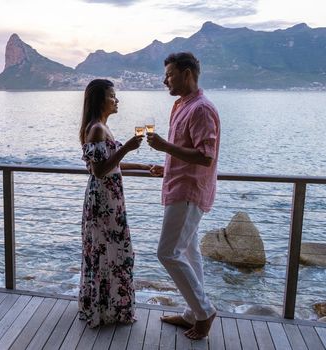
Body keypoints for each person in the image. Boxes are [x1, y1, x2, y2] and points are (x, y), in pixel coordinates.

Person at [146, 52, 221, 340]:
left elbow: (205, 156)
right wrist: (165, 166)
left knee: (167, 252)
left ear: (187, 73)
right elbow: (184, 150)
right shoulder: (181, 106)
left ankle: (204, 311)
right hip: (178, 184)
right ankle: (193, 312)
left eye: (170, 74)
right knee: (189, 251)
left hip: (189, 191)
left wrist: (165, 148)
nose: (165, 80)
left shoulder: (201, 109)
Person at [78, 79, 157, 328]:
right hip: (103, 201)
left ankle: (108, 308)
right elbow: (99, 170)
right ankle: (106, 310)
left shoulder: (102, 128)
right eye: (113, 95)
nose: (117, 100)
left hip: (110, 199)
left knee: (112, 251)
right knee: (108, 252)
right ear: (101, 100)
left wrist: (144, 166)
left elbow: (112, 163)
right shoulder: (97, 129)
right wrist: (129, 149)